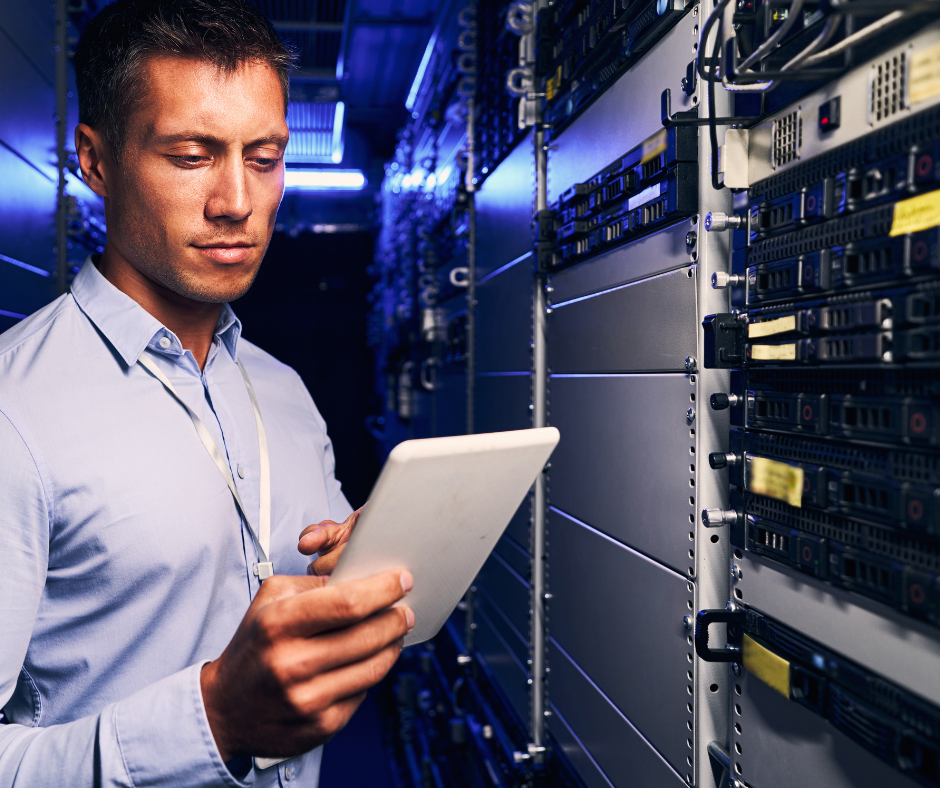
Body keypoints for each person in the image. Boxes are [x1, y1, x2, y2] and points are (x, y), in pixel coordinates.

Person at [0, 1, 412, 785]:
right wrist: (215, 718)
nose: (237, 202)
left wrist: (351, 578)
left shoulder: (285, 395)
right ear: (95, 160)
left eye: (264, 158)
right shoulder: (14, 414)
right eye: (192, 155)